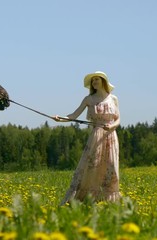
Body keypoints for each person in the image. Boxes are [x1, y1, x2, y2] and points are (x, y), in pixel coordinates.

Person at [55, 71, 121, 205]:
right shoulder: (88, 99)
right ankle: (85, 199)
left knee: (111, 166)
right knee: (92, 166)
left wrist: (112, 126)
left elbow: (118, 119)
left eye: (97, 79)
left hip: (111, 137)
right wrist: (60, 119)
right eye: (93, 80)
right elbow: (73, 115)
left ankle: (109, 202)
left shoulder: (113, 98)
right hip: (96, 136)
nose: (94, 82)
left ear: (103, 81)